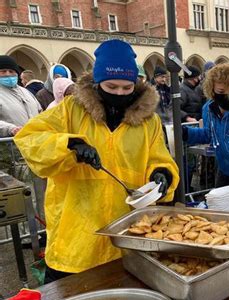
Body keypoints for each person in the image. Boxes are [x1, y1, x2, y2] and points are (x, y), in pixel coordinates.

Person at [14, 39, 179, 282]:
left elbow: (158, 156)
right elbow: (31, 138)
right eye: (111, 87)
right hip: (76, 237)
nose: (119, 94)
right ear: (97, 82)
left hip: (126, 234)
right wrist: (70, 145)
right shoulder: (71, 109)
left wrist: (162, 173)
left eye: (127, 88)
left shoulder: (148, 121)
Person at [0, 56, 42, 138]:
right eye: (3, 71)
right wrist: (10, 129)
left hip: (34, 143)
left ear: (17, 74)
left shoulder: (26, 92)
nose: (8, 74)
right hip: (9, 147)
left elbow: (40, 112)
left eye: (11, 71)